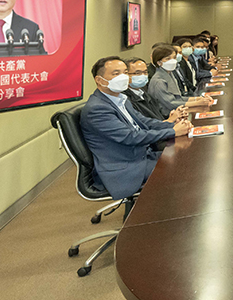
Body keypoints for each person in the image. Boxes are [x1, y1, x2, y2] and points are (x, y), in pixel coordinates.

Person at [80, 56, 191, 200]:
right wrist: (173, 132)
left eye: (125, 72)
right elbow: (130, 137)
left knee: (185, 158)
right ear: (100, 80)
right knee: (181, 170)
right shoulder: (97, 109)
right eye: (116, 73)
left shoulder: (121, 99)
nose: (123, 77)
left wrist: (174, 125)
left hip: (141, 155)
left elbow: (145, 122)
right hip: (125, 168)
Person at [146, 46, 212, 113]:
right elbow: (171, 104)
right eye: (168, 59)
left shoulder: (169, 74)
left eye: (174, 57)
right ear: (159, 62)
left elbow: (178, 98)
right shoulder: (158, 81)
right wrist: (197, 103)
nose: (172, 61)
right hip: (168, 115)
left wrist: (198, 99)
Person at [125, 58, 186, 123]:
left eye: (145, 72)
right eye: (137, 73)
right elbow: (145, 125)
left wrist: (173, 116)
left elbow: (157, 117)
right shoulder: (126, 99)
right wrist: (169, 121)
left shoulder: (143, 93)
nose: (143, 75)